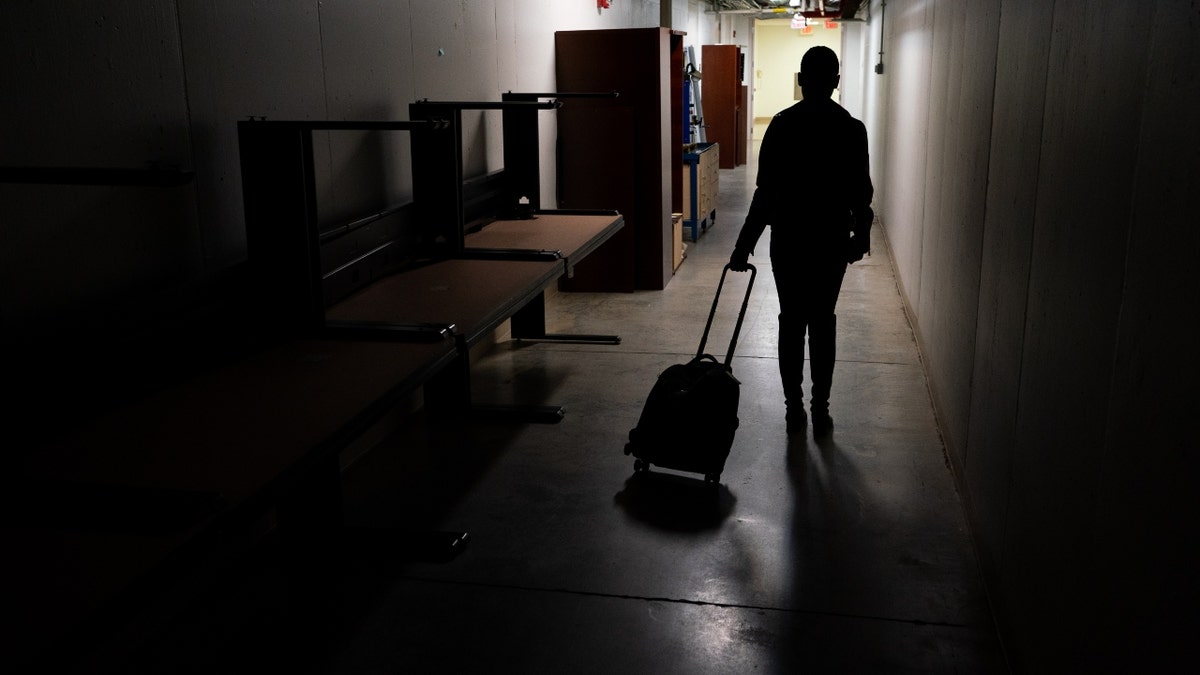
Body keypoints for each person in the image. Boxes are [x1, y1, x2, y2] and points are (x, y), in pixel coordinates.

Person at [729, 45, 874, 437]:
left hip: (789, 242)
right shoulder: (851, 129)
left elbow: (765, 194)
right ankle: (820, 409)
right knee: (823, 321)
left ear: (800, 81)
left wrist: (744, 245)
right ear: (837, 83)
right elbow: (862, 193)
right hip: (830, 242)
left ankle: (794, 410)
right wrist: (861, 235)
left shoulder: (781, 125)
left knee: (791, 322)